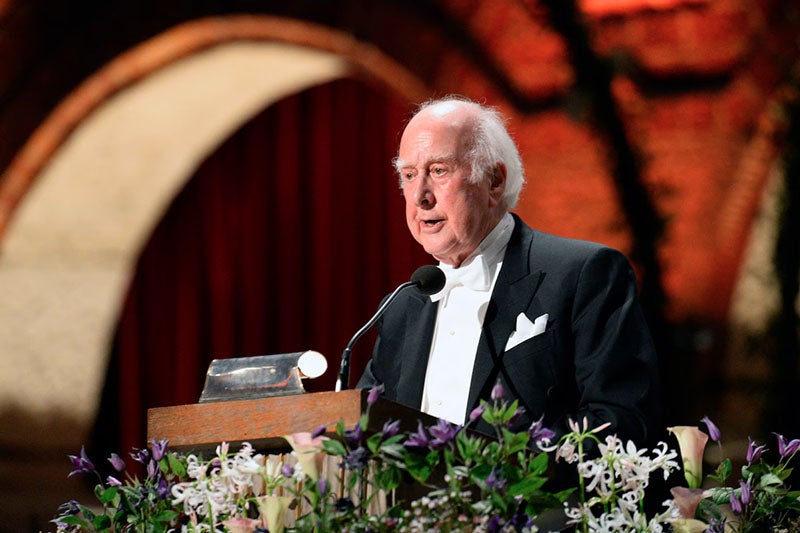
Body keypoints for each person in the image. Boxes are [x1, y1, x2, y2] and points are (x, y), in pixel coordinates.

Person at [357, 95, 659, 444]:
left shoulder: (584, 275)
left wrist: (502, 475)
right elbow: (364, 431)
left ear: (494, 181)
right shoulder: (401, 309)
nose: (420, 196)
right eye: (409, 175)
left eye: (438, 171)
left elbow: (618, 421)